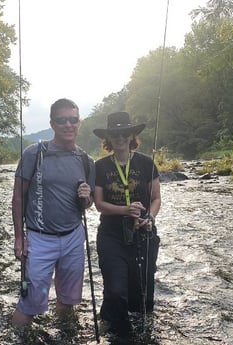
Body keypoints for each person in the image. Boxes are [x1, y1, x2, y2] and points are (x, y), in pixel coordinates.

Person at [11, 98, 95, 327]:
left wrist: (86, 197)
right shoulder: (34, 153)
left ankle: (65, 336)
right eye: (61, 120)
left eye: (73, 119)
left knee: (68, 302)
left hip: (73, 237)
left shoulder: (87, 161)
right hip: (39, 238)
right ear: (52, 123)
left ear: (80, 123)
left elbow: (88, 205)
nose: (68, 124)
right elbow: (18, 197)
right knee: (29, 305)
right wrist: (20, 238)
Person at [93, 111, 161, 336]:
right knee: (115, 290)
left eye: (124, 133)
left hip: (143, 235)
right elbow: (99, 204)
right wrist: (125, 210)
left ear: (132, 135)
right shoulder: (100, 166)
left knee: (142, 295)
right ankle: (118, 334)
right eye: (115, 134)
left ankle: (140, 333)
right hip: (111, 236)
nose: (120, 138)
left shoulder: (147, 163)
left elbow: (156, 199)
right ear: (108, 139)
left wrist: (149, 218)